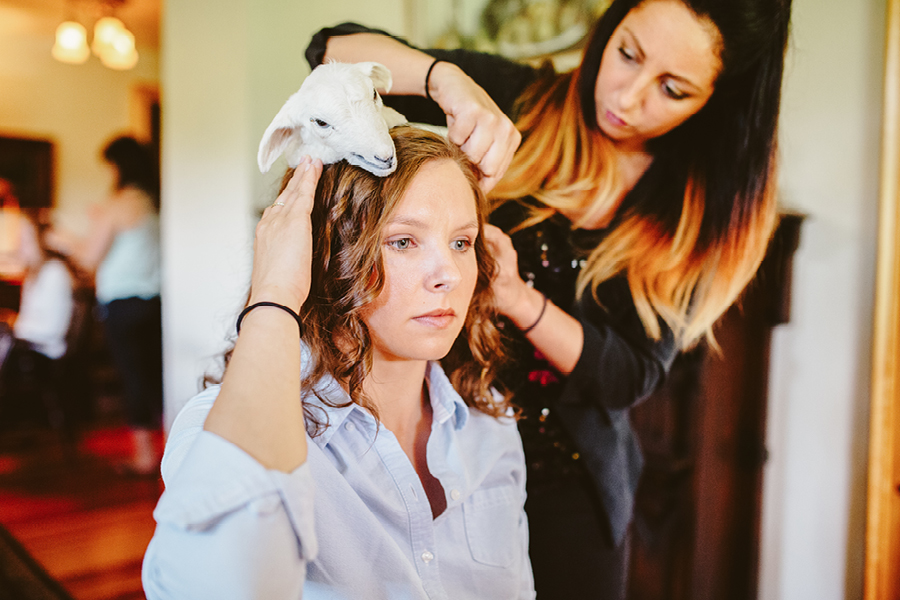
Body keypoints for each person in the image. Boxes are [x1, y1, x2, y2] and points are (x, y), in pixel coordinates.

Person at [308, 0, 792, 597]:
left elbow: (628, 376)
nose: (626, 97)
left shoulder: (700, 213)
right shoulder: (526, 102)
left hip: (573, 476)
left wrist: (516, 298)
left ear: (716, 101)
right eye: (627, 54)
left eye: (671, 88)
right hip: (449, 438)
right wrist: (444, 79)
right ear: (609, 27)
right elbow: (330, 53)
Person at [141, 126, 534, 599]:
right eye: (404, 241)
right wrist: (274, 298)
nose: (448, 275)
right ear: (327, 255)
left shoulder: (487, 421)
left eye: (461, 243)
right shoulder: (222, 429)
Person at [49, 135, 162, 474]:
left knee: (133, 378)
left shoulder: (119, 202)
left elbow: (88, 257)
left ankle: (144, 457)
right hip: (154, 302)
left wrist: (61, 238)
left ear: (117, 166)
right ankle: (168, 451)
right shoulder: (152, 200)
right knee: (153, 377)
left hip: (123, 305)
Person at [0, 209, 77, 426]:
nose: (18, 243)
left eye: (24, 237)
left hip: (43, 355)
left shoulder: (55, 273)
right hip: (30, 347)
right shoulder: (35, 273)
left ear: (40, 239)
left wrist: (14, 325)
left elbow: (53, 329)